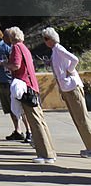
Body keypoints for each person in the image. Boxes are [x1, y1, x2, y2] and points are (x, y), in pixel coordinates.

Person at [5, 27, 56, 164]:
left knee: (35, 122)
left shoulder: (16, 47)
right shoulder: (25, 48)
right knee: (40, 121)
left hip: (26, 88)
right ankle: (50, 152)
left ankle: (45, 154)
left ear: (12, 37)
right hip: (33, 87)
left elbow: (15, 65)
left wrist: (4, 64)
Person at [43, 26, 91, 156]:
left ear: (52, 39)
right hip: (66, 88)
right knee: (77, 119)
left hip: (72, 87)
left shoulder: (58, 49)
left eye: (46, 38)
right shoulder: (55, 51)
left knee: (82, 118)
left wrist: (69, 71)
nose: (45, 41)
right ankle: (88, 146)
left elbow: (75, 59)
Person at [0, 25, 22, 139]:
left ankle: (23, 130)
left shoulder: (6, 47)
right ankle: (16, 129)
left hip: (8, 79)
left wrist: (0, 63)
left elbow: (12, 62)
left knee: (15, 106)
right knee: (8, 108)